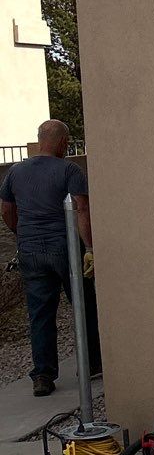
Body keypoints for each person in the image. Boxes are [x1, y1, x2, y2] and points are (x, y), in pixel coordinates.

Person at [0, 120, 98, 397]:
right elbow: (81, 210)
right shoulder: (69, 170)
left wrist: (22, 233)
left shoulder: (15, 172)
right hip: (64, 247)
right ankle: (91, 365)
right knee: (83, 304)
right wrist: (89, 248)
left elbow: (6, 210)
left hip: (31, 250)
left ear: (39, 139)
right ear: (64, 142)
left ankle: (43, 375)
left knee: (40, 314)